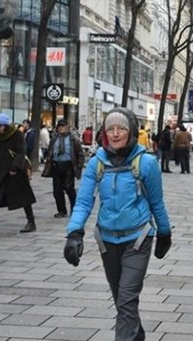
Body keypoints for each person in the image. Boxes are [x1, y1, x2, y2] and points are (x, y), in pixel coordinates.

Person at [64, 108, 171, 341]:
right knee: (121, 300)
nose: (115, 133)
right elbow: (83, 202)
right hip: (107, 241)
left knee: (126, 299)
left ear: (131, 131)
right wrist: (74, 233)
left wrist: (165, 233)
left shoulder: (146, 163)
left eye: (121, 128)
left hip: (138, 239)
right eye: (110, 129)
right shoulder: (96, 163)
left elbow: (157, 202)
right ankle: (136, 336)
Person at [43, 119, 84, 218]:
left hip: (68, 165)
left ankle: (74, 208)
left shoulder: (73, 139)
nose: (61, 128)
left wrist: (79, 166)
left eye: (63, 126)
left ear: (67, 127)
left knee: (69, 188)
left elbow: (80, 153)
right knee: (57, 190)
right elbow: (50, 151)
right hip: (56, 165)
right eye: (59, 126)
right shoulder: (55, 138)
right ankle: (61, 210)